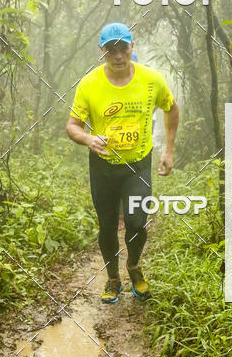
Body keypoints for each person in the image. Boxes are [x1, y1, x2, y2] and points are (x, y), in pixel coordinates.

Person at [66, 22, 180, 303]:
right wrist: (89, 139)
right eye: (111, 49)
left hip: (137, 165)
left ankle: (134, 266)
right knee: (106, 225)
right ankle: (113, 278)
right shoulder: (89, 84)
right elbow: (72, 126)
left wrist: (168, 150)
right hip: (103, 167)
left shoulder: (151, 79)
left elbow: (172, 108)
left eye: (123, 48)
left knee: (136, 221)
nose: (118, 55)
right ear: (102, 51)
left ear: (132, 47)